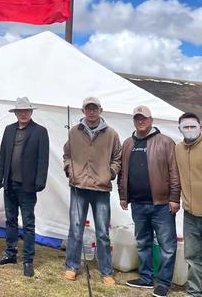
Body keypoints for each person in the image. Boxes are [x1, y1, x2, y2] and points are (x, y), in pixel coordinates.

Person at [119, 105, 180, 297]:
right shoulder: (128, 143)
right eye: (137, 118)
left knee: (167, 246)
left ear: (151, 120)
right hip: (138, 203)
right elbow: (123, 172)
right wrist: (123, 196)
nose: (140, 121)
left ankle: (163, 282)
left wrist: (174, 197)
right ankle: (145, 278)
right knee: (142, 242)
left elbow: (174, 172)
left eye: (144, 118)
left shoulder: (165, 142)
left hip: (162, 204)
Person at [63, 96, 121, 286]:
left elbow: (117, 158)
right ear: (83, 111)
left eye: (95, 108)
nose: (91, 112)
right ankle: (72, 267)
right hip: (78, 187)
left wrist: (109, 173)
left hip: (101, 189)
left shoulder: (111, 134)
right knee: (75, 229)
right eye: (88, 109)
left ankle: (106, 271)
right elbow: (67, 155)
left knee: (103, 232)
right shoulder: (74, 132)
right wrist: (70, 171)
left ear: (100, 110)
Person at [0, 97, 49, 278]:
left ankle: (28, 260)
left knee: (28, 223)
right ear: (15, 113)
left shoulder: (40, 132)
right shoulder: (9, 130)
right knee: (10, 220)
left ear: (31, 112)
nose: (23, 114)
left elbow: (43, 159)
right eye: (20, 111)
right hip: (10, 183)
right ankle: (10, 253)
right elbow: (3, 154)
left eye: (26, 111)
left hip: (27, 185)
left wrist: (40, 181)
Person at [175, 112, 202, 297]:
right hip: (190, 216)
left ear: (200, 127)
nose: (190, 130)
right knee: (192, 258)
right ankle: (194, 292)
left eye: (193, 126)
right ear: (180, 129)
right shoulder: (178, 149)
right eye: (186, 127)